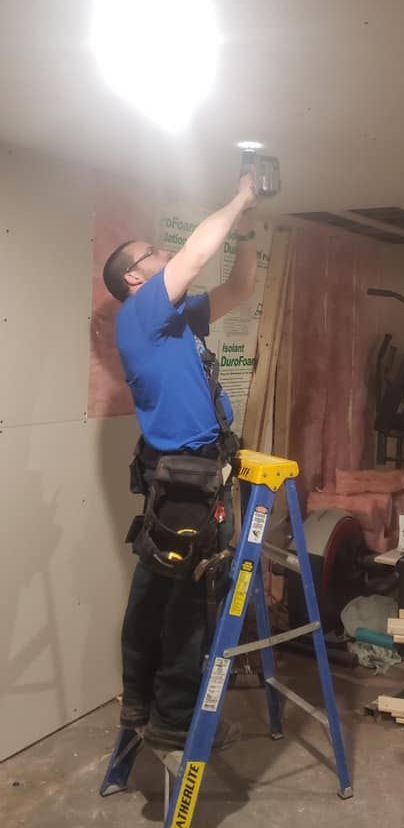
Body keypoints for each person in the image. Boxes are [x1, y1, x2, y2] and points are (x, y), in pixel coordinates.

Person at [102, 171, 258, 751]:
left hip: (184, 476)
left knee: (153, 589)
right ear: (135, 277)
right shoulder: (141, 311)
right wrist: (238, 195)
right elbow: (193, 254)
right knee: (191, 603)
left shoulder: (171, 321)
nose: (163, 253)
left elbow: (240, 288)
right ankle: (171, 721)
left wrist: (252, 226)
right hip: (189, 476)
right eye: (151, 252)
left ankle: (140, 700)